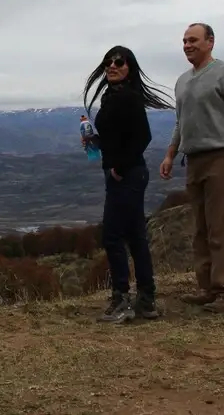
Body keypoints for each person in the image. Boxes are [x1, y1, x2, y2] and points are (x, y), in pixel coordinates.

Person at [160, 23, 224, 314]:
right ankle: (207, 288)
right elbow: (180, 122)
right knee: (201, 228)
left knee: (220, 227)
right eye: (184, 41)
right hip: (194, 160)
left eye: (193, 40)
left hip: (221, 157)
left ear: (210, 42)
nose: (187, 45)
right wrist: (170, 154)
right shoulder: (182, 81)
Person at [82, 45, 175, 323]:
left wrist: (120, 167)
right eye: (108, 61)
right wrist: (95, 141)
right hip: (129, 174)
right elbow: (119, 137)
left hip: (127, 175)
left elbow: (143, 137)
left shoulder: (128, 97)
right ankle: (146, 300)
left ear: (129, 67)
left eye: (119, 62)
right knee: (135, 237)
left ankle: (121, 301)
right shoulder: (114, 96)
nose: (112, 66)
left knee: (112, 236)